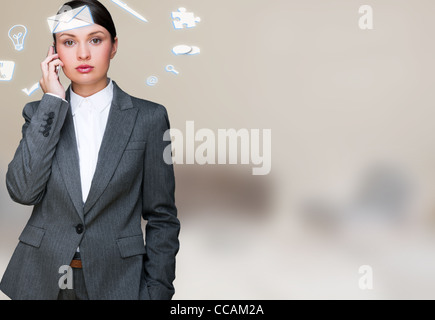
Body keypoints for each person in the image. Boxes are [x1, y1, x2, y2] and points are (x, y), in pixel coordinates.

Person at [0, 0, 180, 300]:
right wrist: (52, 103)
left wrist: (158, 291)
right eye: (69, 42)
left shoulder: (149, 118)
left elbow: (162, 216)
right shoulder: (39, 113)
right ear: (55, 52)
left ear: (113, 46)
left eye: (95, 40)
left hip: (117, 280)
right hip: (41, 279)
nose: (83, 53)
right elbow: (23, 191)